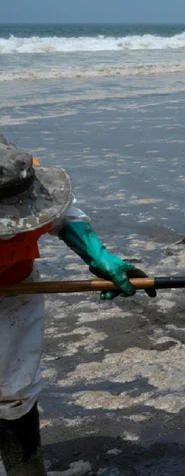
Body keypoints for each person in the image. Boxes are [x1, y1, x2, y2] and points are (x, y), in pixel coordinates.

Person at [0, 137, 154, 475]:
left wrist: (100, 256)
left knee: (14, 390)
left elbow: (64, 215)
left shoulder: (24, 175)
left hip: (15, 282)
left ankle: (24, 468)